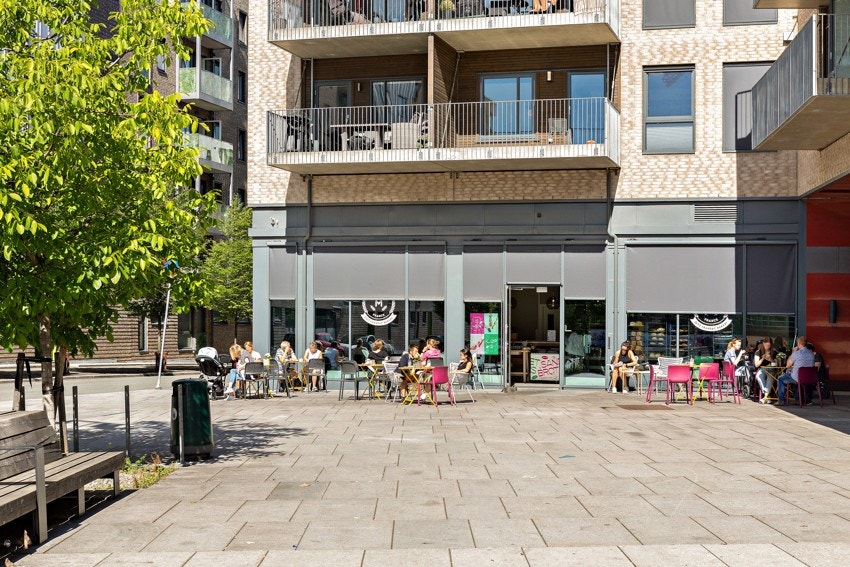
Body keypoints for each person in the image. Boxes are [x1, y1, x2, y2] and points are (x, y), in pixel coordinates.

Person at [777, 336, 815, 406]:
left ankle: (781, 400)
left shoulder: (797, 353)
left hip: (798, 378)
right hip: (809, 379)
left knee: (780, 378)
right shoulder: (811, 354)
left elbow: (788, 365)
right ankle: (798, 399)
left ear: (799, 343)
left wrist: (793, 352)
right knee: (796, 376)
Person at [753, 337, 779, 404]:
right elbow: (756, 365)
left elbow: (777, 364)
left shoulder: (774, 352)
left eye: (768, 345)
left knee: (770, 378)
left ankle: (765, 397)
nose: (767, 347)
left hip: (772, 369)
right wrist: (762, 359)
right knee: (758, 376)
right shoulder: (758, 352)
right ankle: (767, 396)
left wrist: (771, 359)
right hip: (763, 368)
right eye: (765, 345)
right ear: (763, 344)